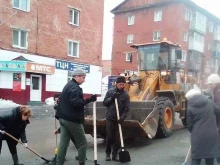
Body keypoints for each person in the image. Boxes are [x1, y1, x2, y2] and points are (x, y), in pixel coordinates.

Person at [52, 68, 97, 165]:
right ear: (77, 76)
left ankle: (59, 162)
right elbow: (75, 103)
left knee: (63, 143)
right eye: (83, 77)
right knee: (82, 142)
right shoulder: (75, 87)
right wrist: (89, 99)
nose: (84, 80)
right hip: (72, 119)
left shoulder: (68, 85)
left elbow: (65, 99)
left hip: (62, 118)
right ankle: (82, 162)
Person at [186, 89, 220, 165]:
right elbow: (219, 112)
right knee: (209, 157)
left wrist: (194, 132)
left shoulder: (190, 107)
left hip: (197, 136)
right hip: (212, 134)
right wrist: (217, 125)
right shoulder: (210, 102)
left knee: (196, 158)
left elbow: (189, 125)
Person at [103, 76, 130, 161]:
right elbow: (105, 103)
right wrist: (112, 98)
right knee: (110, 137)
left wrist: (122, 118)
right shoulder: (110, 92)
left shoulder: (126, 95)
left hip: (119, 120)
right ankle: (108, 154)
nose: (122, 86)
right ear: (116, 84)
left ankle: (115, 155)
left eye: (123, 84)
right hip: (110, 118)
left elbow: (127, 109)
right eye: (120, 84)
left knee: (118, 138)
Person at [206, 74, 220, 164]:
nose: (209, 86)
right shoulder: (216, 91)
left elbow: (218, 108)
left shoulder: (218, 93)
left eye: (210, 84)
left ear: (215, 83)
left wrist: (210, 107)